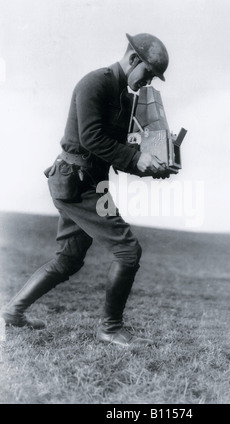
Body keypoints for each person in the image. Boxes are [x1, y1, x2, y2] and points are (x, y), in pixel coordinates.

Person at [1, 33, 171, 348]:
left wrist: (152, 168)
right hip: (76, 181)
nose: (148, 82)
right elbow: (91, 138)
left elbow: (114, 149)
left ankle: (13, 311)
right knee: (128, 251)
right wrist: (137, 158)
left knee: (69, 259)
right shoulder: (96, 83)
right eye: (147, 73)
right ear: (133, 59)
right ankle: (110, 328)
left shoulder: (123, 94)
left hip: (91, 181)